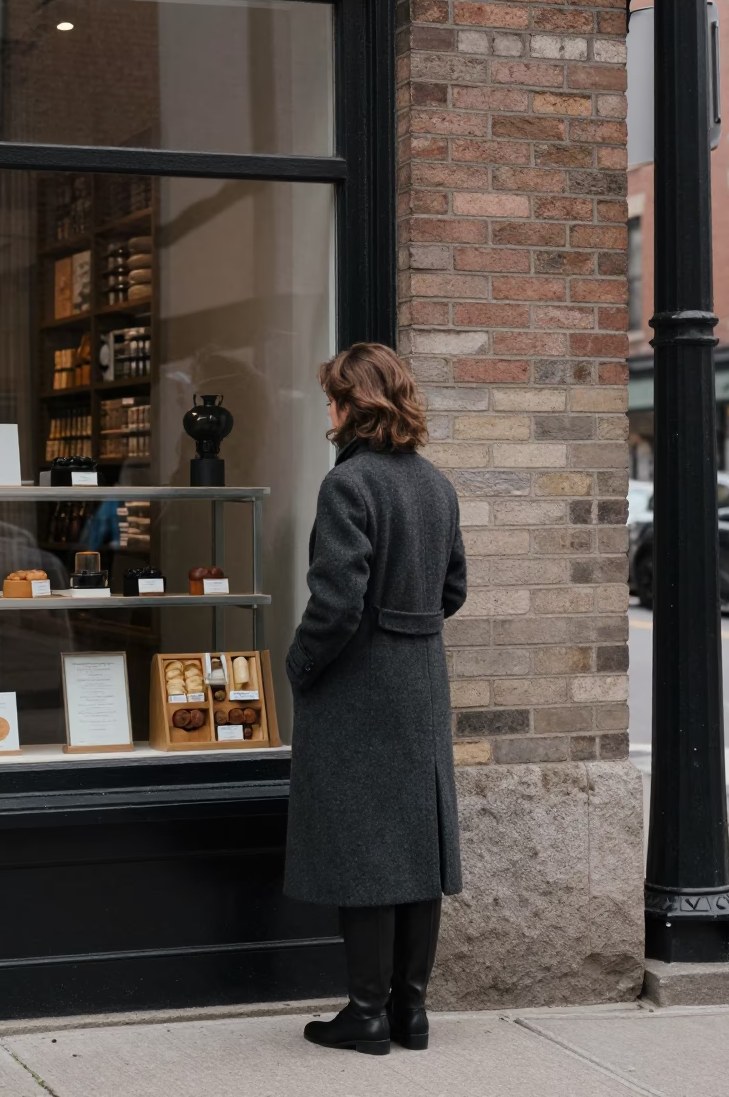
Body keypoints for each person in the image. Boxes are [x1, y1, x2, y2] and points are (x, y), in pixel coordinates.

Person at [284, 342, 467, 1056]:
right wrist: (410, 625)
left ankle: (365, 1015)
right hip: (420, 684)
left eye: (332, 397)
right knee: (416, 850)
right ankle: (409, 1015)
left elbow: (336, 603)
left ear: (349, 406)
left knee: (364, 850)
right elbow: (454, 589)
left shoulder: (349, 485)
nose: (326, 410)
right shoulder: (435, 485)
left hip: (359, 689)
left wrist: (300, 666)